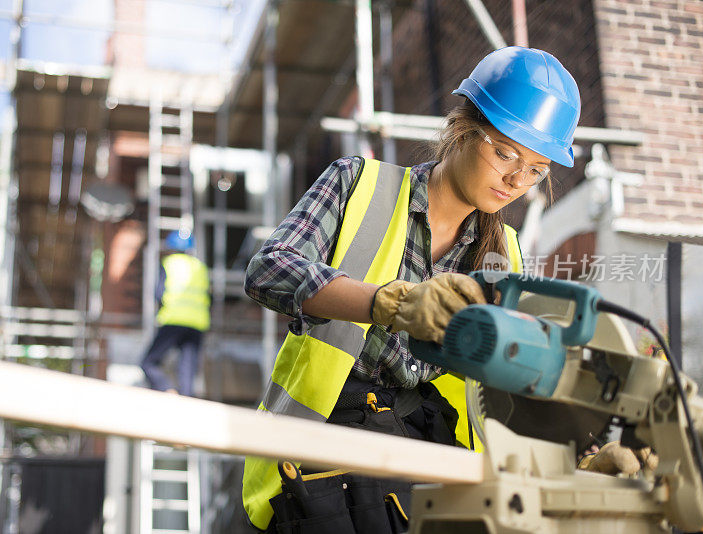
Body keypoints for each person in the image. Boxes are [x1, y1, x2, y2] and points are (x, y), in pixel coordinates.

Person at [241, 46, 581, 533]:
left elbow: (514, 386)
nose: (515, 180)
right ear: (462, 127)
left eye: (536, 169)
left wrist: (577, 453)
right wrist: (384, 303)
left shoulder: (505, 253)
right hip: (320, 452)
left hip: (426, 448)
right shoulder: (358, 184)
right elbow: (268, 270)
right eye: (506, 153)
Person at [140, 230, 210, 397]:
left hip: (173, 319)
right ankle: (186, 400)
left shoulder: (168, 263)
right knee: (187, 369)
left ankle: (166, 388)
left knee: (148, 363)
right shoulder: (200, 267)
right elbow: (209, 296)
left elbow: (158, 293)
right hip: (198, 323)